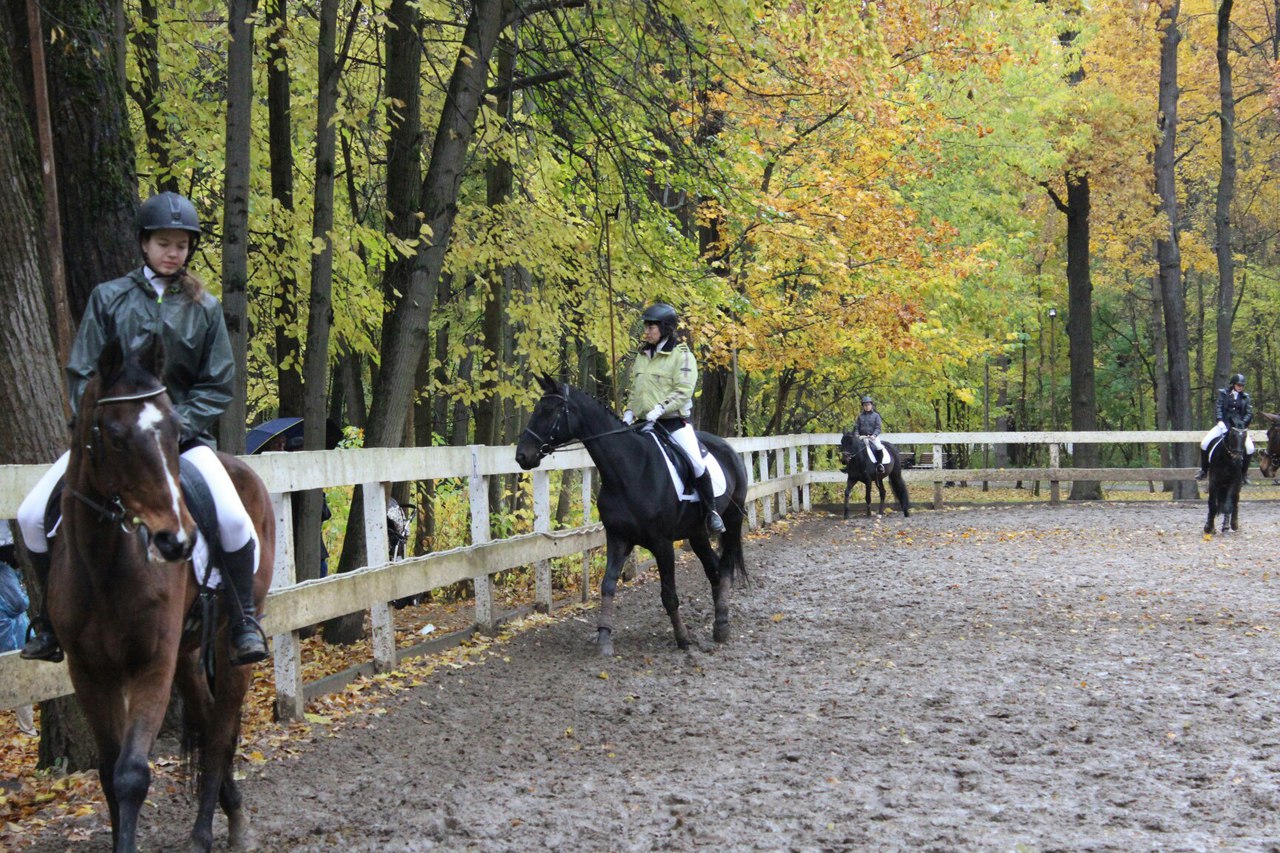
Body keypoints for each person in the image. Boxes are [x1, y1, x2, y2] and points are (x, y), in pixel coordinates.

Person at [16, 191, 267, 666]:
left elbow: (219, 383)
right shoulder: (108, 298)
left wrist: (173, 427)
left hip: (181, 440)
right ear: (144, 244)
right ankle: (46, 622)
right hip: (111, 443)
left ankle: (244, 621)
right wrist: (97, 431)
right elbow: (81, 372)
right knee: (30, 515)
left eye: (181, 245)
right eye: (163, 243)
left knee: (235, 520)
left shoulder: (205, 307)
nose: (173, 253)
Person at [621, 302, 725, 533]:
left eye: (651, 327)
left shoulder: (682, 356)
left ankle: (711, 512)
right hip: (644, 423)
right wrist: (630, 412)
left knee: (697, 463)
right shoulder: (642, 356)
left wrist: (660, 409)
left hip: (672, 423)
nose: (646, 331)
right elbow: (639, 392)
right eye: (645, 326)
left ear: (666, 328)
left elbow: (683, 390)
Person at [0, 522, 37, 735]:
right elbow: (18, 604)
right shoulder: (4, 571)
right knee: (20, 678)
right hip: (11, 632)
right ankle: (28, 729)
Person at [1195, 372, 1254, 485]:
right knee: (1204, 443)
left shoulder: (1246, 397)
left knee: (1250, 448)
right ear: (1233, 384)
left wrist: (1242, 423)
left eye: (1242, 385)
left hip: (1239, 429)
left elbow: (1248, 413)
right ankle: (1204, 470)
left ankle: (1244, 474)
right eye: (1238, 385)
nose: (1240, 387)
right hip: (1224, 424)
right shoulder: (1224, 394)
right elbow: (1219, 408)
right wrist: (1220, 421)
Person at [853, 394, 887, 475]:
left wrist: (874, 435)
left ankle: (879, 465)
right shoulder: (860, 417)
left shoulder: (876, 416)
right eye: (865, 405)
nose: (867, 406)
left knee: (879, 447)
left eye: (868, 405)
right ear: (863, 406)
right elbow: (856, 427)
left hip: (872, 437)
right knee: (853, 449)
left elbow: (878, 428)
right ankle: (851, 467)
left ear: (871, 405)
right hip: (862, 437)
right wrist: (857, 435)